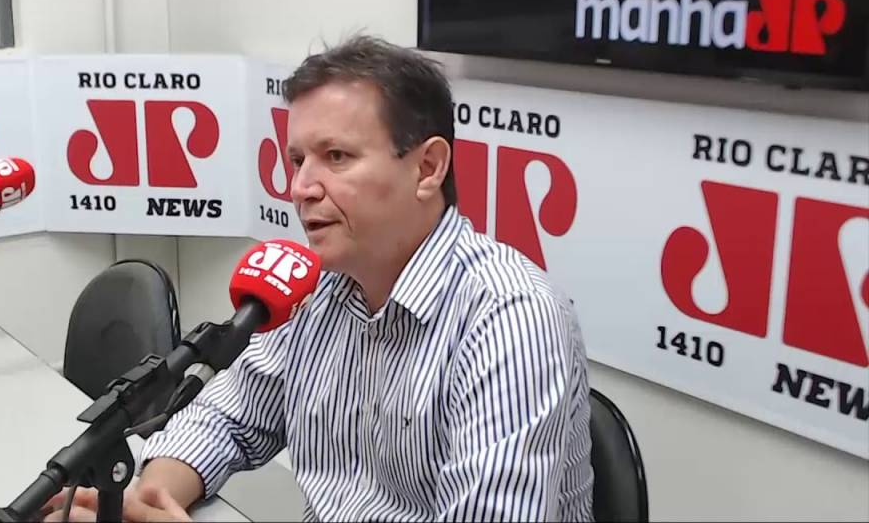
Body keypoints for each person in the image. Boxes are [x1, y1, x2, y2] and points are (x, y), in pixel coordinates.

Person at [47, 35, 594, 522]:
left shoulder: (512, 317)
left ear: (427, 168)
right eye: (297, 160)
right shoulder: (316, 291)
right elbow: (226, 418)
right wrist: (148, 499)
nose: (301, 188)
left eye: (336, 157)